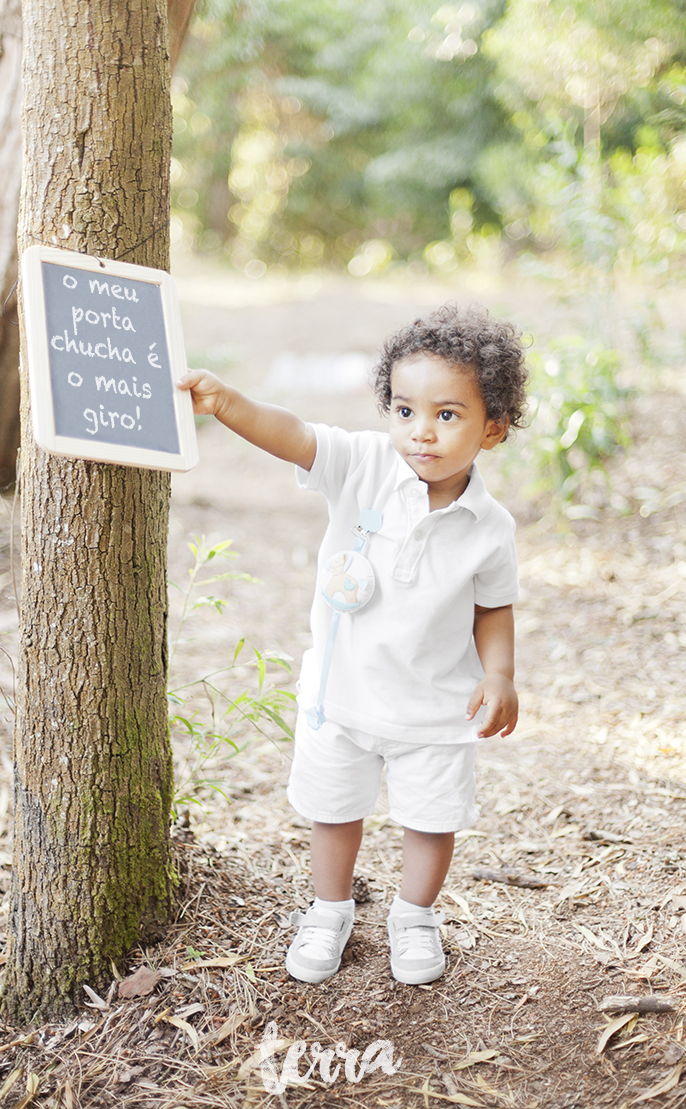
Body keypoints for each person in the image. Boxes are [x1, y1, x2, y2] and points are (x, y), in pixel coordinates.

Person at [177, 304, 526, 986]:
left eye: (447, 416)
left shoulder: (489, 526)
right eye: (404, 410)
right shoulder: (364, 465)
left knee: (431, 822)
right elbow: (295, 436)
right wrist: (227, 403)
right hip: (343, 699)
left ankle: (414, 917)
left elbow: (493, 605)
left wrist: (501, 674)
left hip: (435, 711)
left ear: (494, 430)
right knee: (334, 814)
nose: (421, 431)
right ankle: (328, 911)